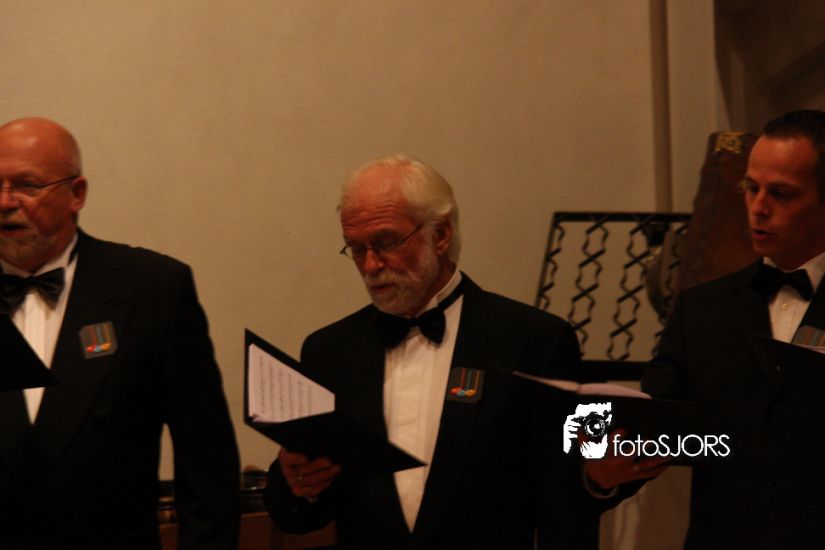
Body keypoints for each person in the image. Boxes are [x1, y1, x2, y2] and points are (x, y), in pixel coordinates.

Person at [263, 154, 608, 550]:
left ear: (440, 234)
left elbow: (565, 504)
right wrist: (297, 484)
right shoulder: (330, 351)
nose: (370, 265)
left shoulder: (534, 341)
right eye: (356, 249)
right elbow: (301, 516)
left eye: (386, 242)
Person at [588, 109, 825, 548]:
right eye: (750, 188)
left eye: (781, 193)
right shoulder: (702, 309)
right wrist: (599, 471)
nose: (758, 207)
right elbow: (652, 424)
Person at [0, 117, 240, 549]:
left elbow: (207, 464)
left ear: (77, 194)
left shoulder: (152, 290)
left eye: (27, 185)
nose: (4, 202)